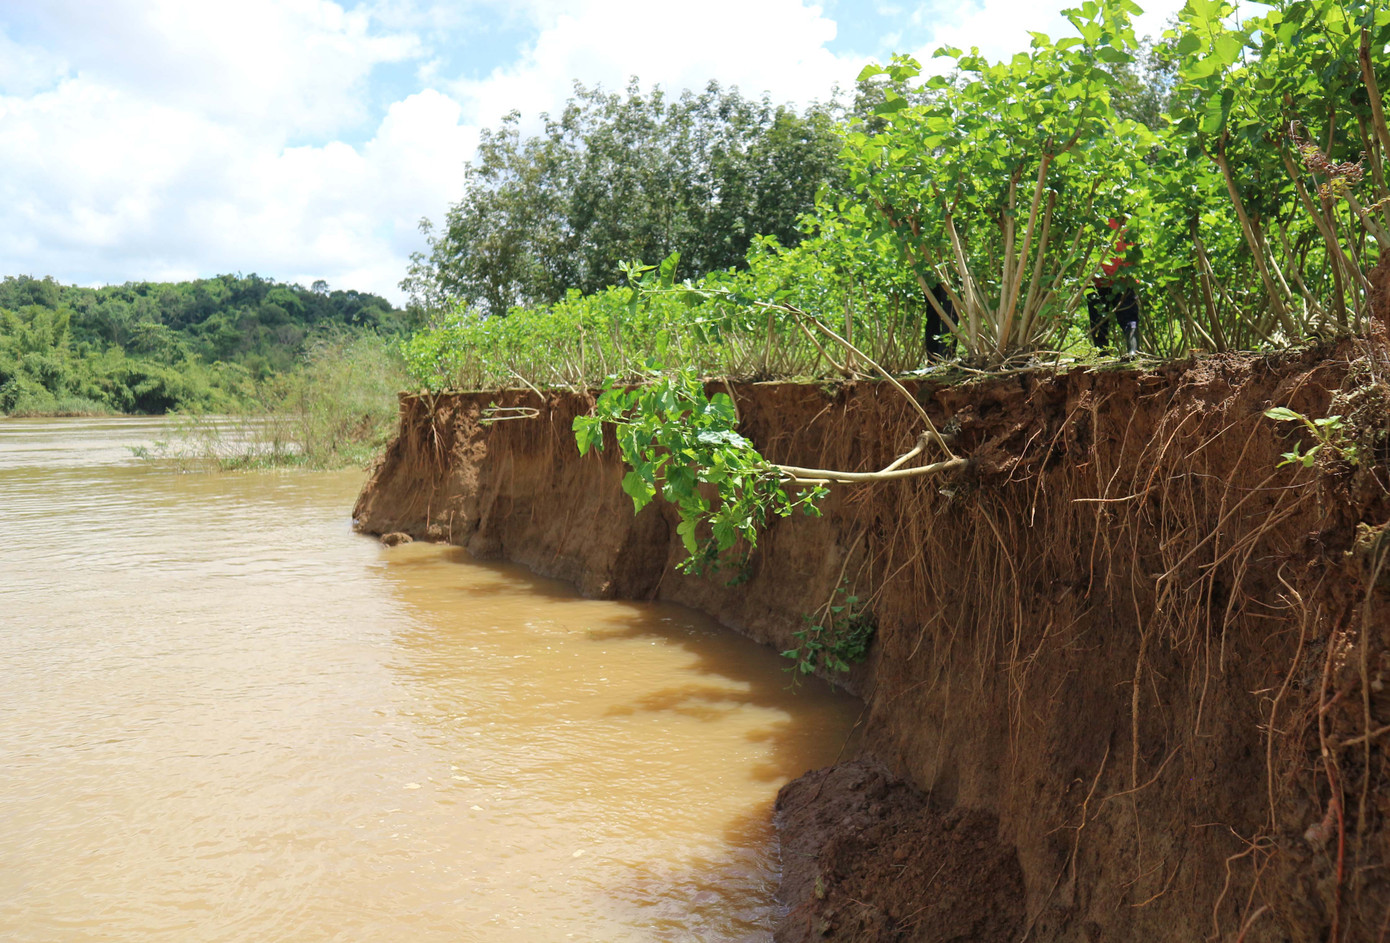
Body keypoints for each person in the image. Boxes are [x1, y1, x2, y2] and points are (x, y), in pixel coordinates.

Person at [1086, 218, 1140, 357]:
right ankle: (1128, 352)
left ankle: (1126, 353)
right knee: (1104, 322)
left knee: (1103, 322)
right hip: (1109, 278)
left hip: (1111, 278)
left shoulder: (1096, 218)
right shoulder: (1128, 219)